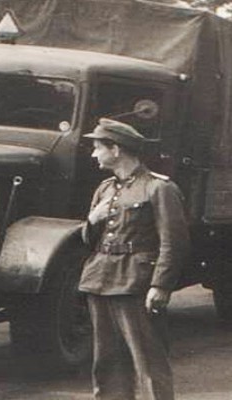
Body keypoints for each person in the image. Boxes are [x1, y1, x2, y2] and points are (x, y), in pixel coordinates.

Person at [80, 118, 190, 400]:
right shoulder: (105, 189)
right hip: (100, 279)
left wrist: (160, 285)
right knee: (107, 361)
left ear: (115, 149)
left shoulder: (158, 188)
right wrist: (93, 219)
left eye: (97, 148)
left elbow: (173, 242)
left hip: (136, 282)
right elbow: (88, 241)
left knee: (148, 360)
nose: (93, 154)